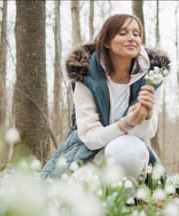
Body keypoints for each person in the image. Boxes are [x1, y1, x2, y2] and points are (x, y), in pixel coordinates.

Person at [41, 14, 170, 181]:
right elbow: (90, 138)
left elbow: (147, 133)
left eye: (136, 34)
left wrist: (146, 116)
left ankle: (128, 193)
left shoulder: (152, 76)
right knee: (75, 188)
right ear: (107, 41)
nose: (132, 38)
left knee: (127, 149)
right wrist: (126, 123)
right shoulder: (85, 74)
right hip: (89, 151)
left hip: (129, 149)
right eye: (123, 33)